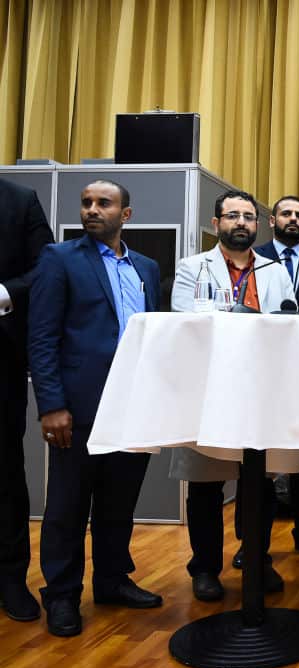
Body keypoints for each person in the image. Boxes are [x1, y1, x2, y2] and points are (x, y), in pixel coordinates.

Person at [28, 180, 162, 637]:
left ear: (125, 214)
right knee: (68, 505)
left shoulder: (146, 266)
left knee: (119, 501)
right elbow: (42, 337)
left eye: (103, 203)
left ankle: (110, 580)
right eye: (86, 203)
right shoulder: (59, 259)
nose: (91, 210)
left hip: (134, 404)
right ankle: (62, 595)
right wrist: (51, 406)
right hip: (79, 407)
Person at [169, 189, 295, 602]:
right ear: (215, 223)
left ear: (258, 226)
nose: (241, 222)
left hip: (263, 388)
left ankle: (256, 558)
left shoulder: (276, 271)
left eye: (248, 217)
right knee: (205, 485)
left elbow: (287, 326)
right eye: (232, 216)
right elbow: (185, 322)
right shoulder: (192, 268)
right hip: (210, 387)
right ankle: (204, 568)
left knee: (259, 481)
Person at [245, 195, 299, 560]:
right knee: (256, 465)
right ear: (271, 220)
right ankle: (252, 545)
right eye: (286, 213)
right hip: (259, 374)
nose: (293, 219)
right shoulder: (251, 259)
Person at [0, 178, 52, 622]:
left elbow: (45, 266)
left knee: (4, 470)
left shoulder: (20, 200)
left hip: (1, 357)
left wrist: (4, 293)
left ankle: (11, 578)